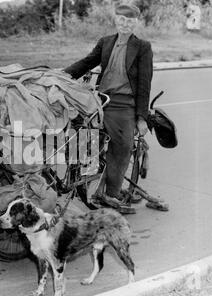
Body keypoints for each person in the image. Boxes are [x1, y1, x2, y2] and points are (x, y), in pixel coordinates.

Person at [63, 2, 153, 208]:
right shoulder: (106, 42)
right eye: (121, 19)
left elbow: (144, 85)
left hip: (125, 104)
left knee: (122, 146)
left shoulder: (142, 47)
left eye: (130, 20)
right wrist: (61, 75)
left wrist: (141, 118)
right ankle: (83, 177)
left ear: (136, 23)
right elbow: (86, 63)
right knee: (80, 133)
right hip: (101, 100)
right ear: (116, 20)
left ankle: (111, 193)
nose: (125, 24)